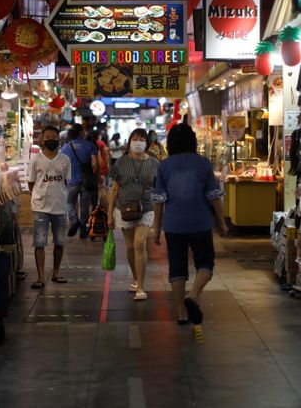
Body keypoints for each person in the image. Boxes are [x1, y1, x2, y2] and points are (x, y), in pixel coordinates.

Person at [151, 123, 228, 325]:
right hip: (200, 223)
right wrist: (221, 223)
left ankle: (181, 313)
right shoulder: (203, 164)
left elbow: (159, 199)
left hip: (173, 225)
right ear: (192, 141)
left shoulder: (164, 166)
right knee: (205, 264)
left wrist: (156, 228)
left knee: (177, 269)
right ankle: (192, 296)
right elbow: (215, 198)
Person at [106, 129, 160, 301]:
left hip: (146, 208)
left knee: (139, 244)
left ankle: (141, 288)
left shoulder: (154, 163)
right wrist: (109, 214)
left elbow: (159, 188)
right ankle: (136, 279)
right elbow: (114, 189)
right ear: (129, 142)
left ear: (147, 142)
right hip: (124, 209)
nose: (138, 142)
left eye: (141, 139)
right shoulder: (121, 162)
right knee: (130, 247)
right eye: (135, 139)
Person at [28, 126, 72, 289]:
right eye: (47, 137)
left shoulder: (65, 160)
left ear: (58, 139)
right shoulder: (35, 159)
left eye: (54, 136)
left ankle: (56, 272)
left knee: (59, 242)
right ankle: (40, 277)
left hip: (59, 207)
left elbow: (66, 181)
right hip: (40, 207)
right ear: (42, 140)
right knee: (39, 243)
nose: (51, 139)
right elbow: (31, 183)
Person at [62, 123, 99, 238]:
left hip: (71, 180)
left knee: (68, 204)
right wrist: (96, 178)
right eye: (84, 130)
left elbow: (62, 165)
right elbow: (95, 164)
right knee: (84, 206)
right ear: (81, 132)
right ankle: (83, 229)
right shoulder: (90, 145)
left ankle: (75, 221)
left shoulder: (65, 147)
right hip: (86, 181)